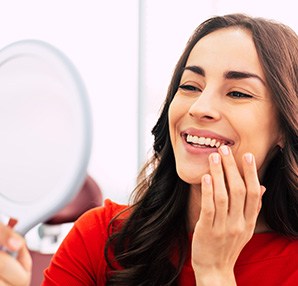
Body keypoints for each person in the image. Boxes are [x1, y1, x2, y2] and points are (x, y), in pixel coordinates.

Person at [1, 13, 297, 285]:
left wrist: (214, 272)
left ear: (284, 128)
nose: (200, 107)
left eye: (237, 93)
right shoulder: (100, 237)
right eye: (190, 86)